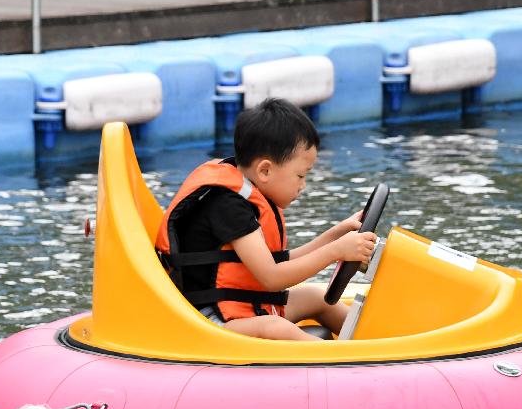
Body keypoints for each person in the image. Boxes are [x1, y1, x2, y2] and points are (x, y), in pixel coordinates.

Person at [155, 97, 377, 341]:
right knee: (275, 328)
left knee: (317, 298)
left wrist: (336, 235)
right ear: (265, 170)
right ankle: (350, 364)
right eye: (300, 175)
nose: (303, 185)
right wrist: (335, 252)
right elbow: (271, 278)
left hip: (242, 306)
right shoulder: (228, 206)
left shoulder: (246, 196)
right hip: (209, 321)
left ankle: (380, 343)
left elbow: (279, 261)